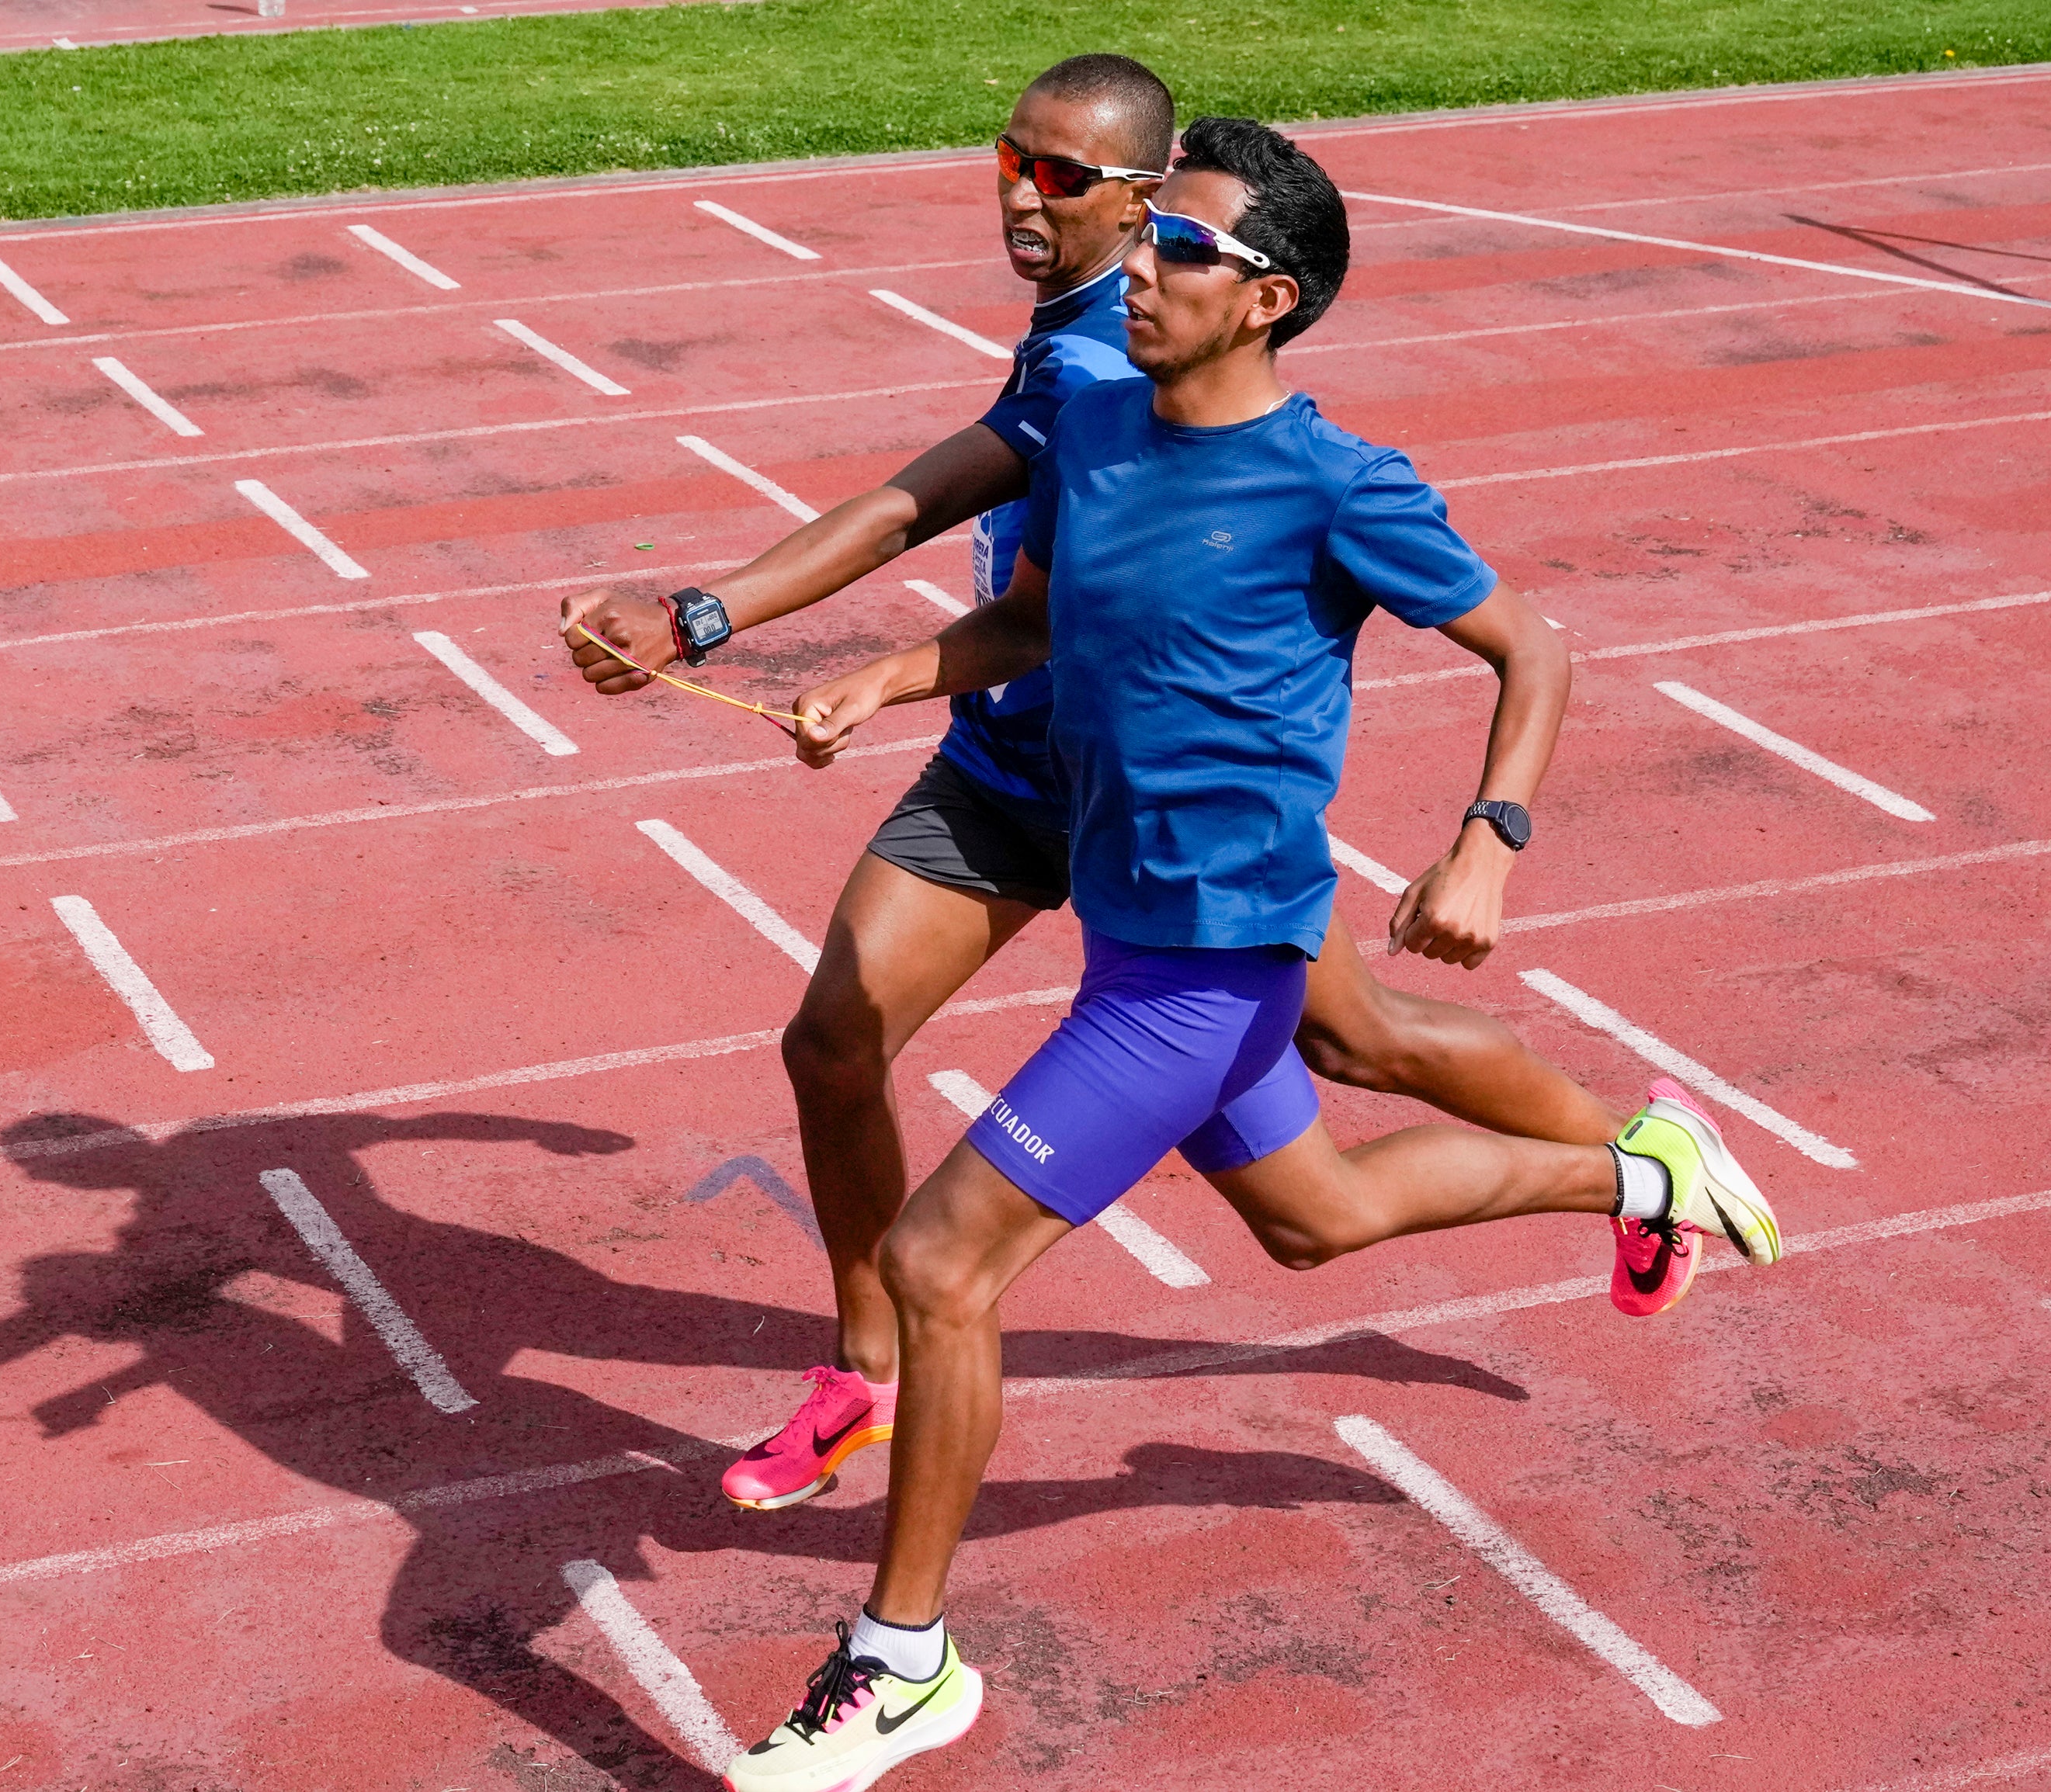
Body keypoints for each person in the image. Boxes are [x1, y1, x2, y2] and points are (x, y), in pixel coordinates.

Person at [716, 119, 1786, 1792]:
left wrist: (1483, 845)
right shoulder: (1093, 424)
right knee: (1318, 1218)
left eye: (1178, 251)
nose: (1135, 267)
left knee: (939, 1269)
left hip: (1216, 962)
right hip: (1129, 921)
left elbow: (1532, 653)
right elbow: (1043, 617)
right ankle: (1639, 1173)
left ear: (1267, 297)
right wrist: (893, 678)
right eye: (1144, 242)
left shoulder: (1338, 484)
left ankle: (900, 1665)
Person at [560, 56, 1647, 1524]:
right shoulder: (1090, 351)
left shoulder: (1134, 372)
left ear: (1162, 211)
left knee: (1361, 1064)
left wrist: (1489, 838)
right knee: (837, 1041)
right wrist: (791, 646)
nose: (1025, 191)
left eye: (1069, 179)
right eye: (1013, 159)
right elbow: (974, 556)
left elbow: (916, 502)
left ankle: (1633, 1155)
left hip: (1165, 811)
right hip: (1017, 770)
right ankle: (867, 1376)